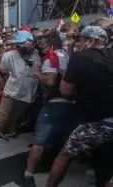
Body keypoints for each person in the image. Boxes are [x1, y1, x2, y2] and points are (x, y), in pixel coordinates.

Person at [46, 26, 113, 187]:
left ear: (92, 41)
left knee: (65, 154)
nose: (79, 43)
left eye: (81, 39)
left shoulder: (81, 57)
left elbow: (65, 90)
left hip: (98, 122)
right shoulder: (109, 55)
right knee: (104, 161)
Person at [23, 31, 86, 187]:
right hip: (76, 106)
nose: (41, 46)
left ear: (51, 45)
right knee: (69, 145)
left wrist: (37, 73)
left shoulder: (52, 58)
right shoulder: (77, 57)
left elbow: (50, 82)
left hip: (55, 104)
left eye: (43, 43)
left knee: (39, 141)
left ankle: (28, 174)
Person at [0, 30, 40, 141]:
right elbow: (5, 71)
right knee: (1, 116)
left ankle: (8, 130)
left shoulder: (37, 54)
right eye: (17, 44)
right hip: (11, 91)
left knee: (15, 115)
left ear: (29, 43)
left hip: (28, 94)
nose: (18, 46)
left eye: (20, 44)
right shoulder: (9, 56)